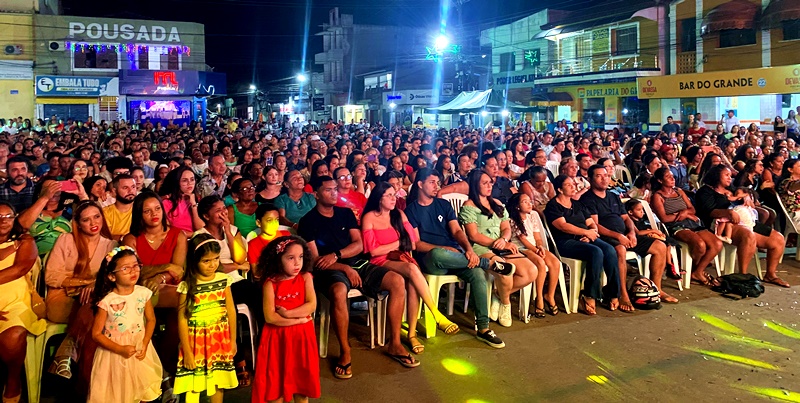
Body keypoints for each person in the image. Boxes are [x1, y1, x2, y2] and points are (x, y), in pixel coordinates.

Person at [299, 176, 418, 376]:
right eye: (328, 190)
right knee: (339, 291)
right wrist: (343, 267)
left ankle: (395, 343)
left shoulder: (345, 214)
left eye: (335, 189)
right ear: (316, 195)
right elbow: (316, 261)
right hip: (329, 270)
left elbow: (360, 245)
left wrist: (339, 255)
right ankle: (346, 351)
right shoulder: (308, 221)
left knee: (397, 281)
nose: (334, 192)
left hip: (355, 263)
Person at [404, 169, 508, 348]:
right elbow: (416, 244)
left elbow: (457, 231)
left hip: (456, 256)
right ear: (420, 185)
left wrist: (469, 250)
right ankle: (488, 263)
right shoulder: (411, 210)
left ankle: (483, 328)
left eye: (438, 182)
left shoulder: (444, 205)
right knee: (438, 254)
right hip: (431, 259)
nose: (437, 186)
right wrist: (443, 248)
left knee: (477, 274)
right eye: (432, 182)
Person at [362, 181, 460, 354]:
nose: (394, 198)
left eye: (395, 194)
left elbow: (413, 243)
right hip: (380, 262)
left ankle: (412, 334)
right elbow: (373, 251)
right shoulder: (369, 217)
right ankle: (436, 314)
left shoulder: (399, 215)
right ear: (379, 198)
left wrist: (399, 245)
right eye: (389, 195)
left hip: (400, 258)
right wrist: (398, 243)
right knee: (413, 270)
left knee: (413, 281)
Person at [580, 165, 675, 311]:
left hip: (625, 234)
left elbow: (626, 218)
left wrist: (631, 232)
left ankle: (657, 288)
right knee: (620, 250)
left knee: (660, 246)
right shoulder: (588, 199)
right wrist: (618, 236)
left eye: (606, 175)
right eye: (599, 176)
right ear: (590, 179)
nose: (604, 179)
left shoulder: (612, 196)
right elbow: (595, 226)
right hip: (606, 237)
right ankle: (622, 294)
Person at [459, 170, 536, 326]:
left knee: (531, 271)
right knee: (505, 270)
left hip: (502, 246)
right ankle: (506, 305)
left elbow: (506, 228)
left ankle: (498, 295)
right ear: (475, 185)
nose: (489, 186)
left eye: (490, 182)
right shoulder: (469, 205)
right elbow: (473, 235)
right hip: (482, 248)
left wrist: (504, 239)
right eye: (484, 183)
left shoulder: (497, 203)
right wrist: (497, 242)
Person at [87, 246, 163, 403]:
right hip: (114, 354)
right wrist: (120, 349)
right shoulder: (107, 301)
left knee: (143, 390)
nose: (133, 271)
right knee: (118, 394)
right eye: (126, 268)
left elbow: (151, 320)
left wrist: (145, 341)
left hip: (139, 348)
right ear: (112, 276)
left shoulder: (143, 293)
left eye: (136, 266)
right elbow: (96, 334)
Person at [251, 236, 320, 403]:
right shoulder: (270, 283)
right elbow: (270, 317)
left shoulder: (305, 278)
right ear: (278, 259)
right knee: (276, 386)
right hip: (277, 340)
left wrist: (288, 314)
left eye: (301, 257)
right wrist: (298, 320)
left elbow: (311, 305)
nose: (297, 263)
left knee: (301, 385)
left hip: (301, 339)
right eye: (291, 258)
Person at [695, 165, 788, 287]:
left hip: (745, 221)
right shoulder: (705, 191)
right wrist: (728, 213)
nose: (730, 178)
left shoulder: (732, 189)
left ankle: (770, 274)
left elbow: (744, 197)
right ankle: (742, 275)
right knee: (748, 236)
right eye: (726, 175)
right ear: (717, 176)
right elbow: (708, 211)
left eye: (730, 175)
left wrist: (749, 200)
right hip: (723, 224)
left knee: (778, 238)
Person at [174, 233, 239, 403]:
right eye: (206, 261)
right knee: (193, 385)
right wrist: (187, 352)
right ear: (195, 260)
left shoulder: (224, 280)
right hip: (195, 342)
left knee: (218, 381)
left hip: (219, 339)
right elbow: (182, 318)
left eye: (216, 259)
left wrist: (232, 341)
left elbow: (231, 310)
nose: (213, 265)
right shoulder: (187, 284)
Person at [544, 175, 620, 315]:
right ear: (560, 189)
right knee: (595, 252)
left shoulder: (577, 204)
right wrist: (585, 232)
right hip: (565, 241)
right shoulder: (553, 206)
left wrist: (591, 233)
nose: (574, 186)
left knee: (610, 250)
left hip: (586, 237)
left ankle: (613, 292)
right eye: (569, 185)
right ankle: (589, 295)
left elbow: (591, 222)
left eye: (574, 184)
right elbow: (563, 226)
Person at [0, 202, 45, 403]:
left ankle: (13, 378)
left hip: (15, 303)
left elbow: (19, 269)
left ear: (15, 218)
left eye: (8, 216)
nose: (3, 221)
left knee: (14, 335)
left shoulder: (24, 240)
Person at [506, 193, 562, 317]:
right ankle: (539, 298)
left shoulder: (532, 216)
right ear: (517, 206)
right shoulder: (512, 220)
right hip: (522, 249)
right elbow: (523, 240)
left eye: (529, 201)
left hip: (535, 247)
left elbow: (537, 237)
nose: (529, 204)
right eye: (525, 202)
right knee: (541, 263)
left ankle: (550, 295)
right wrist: (536, 251)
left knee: (555, 262)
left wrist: (540, 246)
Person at [247, 204, 291, 277]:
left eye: (276, 219)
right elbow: (256, 274)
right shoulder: (253, 244)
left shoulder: (286, 235)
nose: (274, 224)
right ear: (258, 223)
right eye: (269, 220)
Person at [159, 166, 203, 237]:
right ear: (177, 182)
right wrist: (194, 234)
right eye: (184, 180)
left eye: (192, 179)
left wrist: (193, 205)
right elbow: (167, 231)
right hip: (178, 242)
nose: (189, 183)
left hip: (197, 241)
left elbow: (201, 228)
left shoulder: (197, 200)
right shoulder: (166, 203)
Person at [103, 174, 137, 241]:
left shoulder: (142, 209)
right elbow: (105, 238)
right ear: (114, 191)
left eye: (133, 187)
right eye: (125, 188)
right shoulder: (105, 213)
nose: (130, 191)